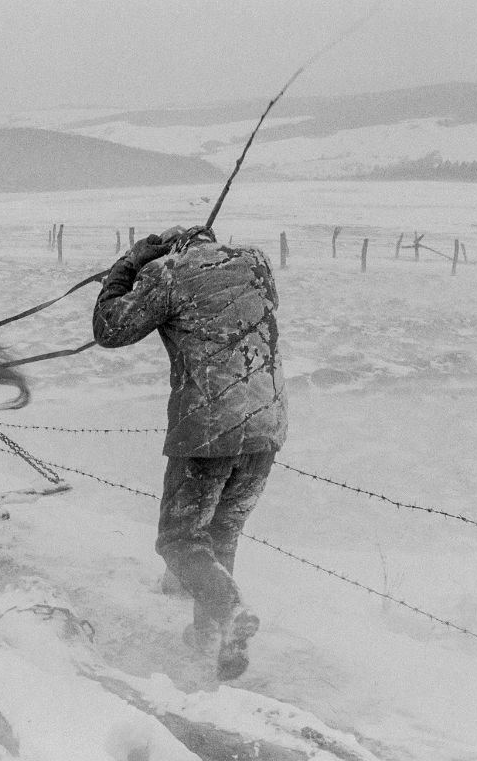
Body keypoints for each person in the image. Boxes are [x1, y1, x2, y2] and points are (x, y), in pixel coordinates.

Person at [92, 224, 287, 681]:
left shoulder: (165, 274)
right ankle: (214, 642)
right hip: (267, 424)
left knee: (179, 541)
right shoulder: (256, 262)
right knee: (222, 534)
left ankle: (229, 608)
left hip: (208, 429)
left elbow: (109, 328)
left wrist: (130, 264)